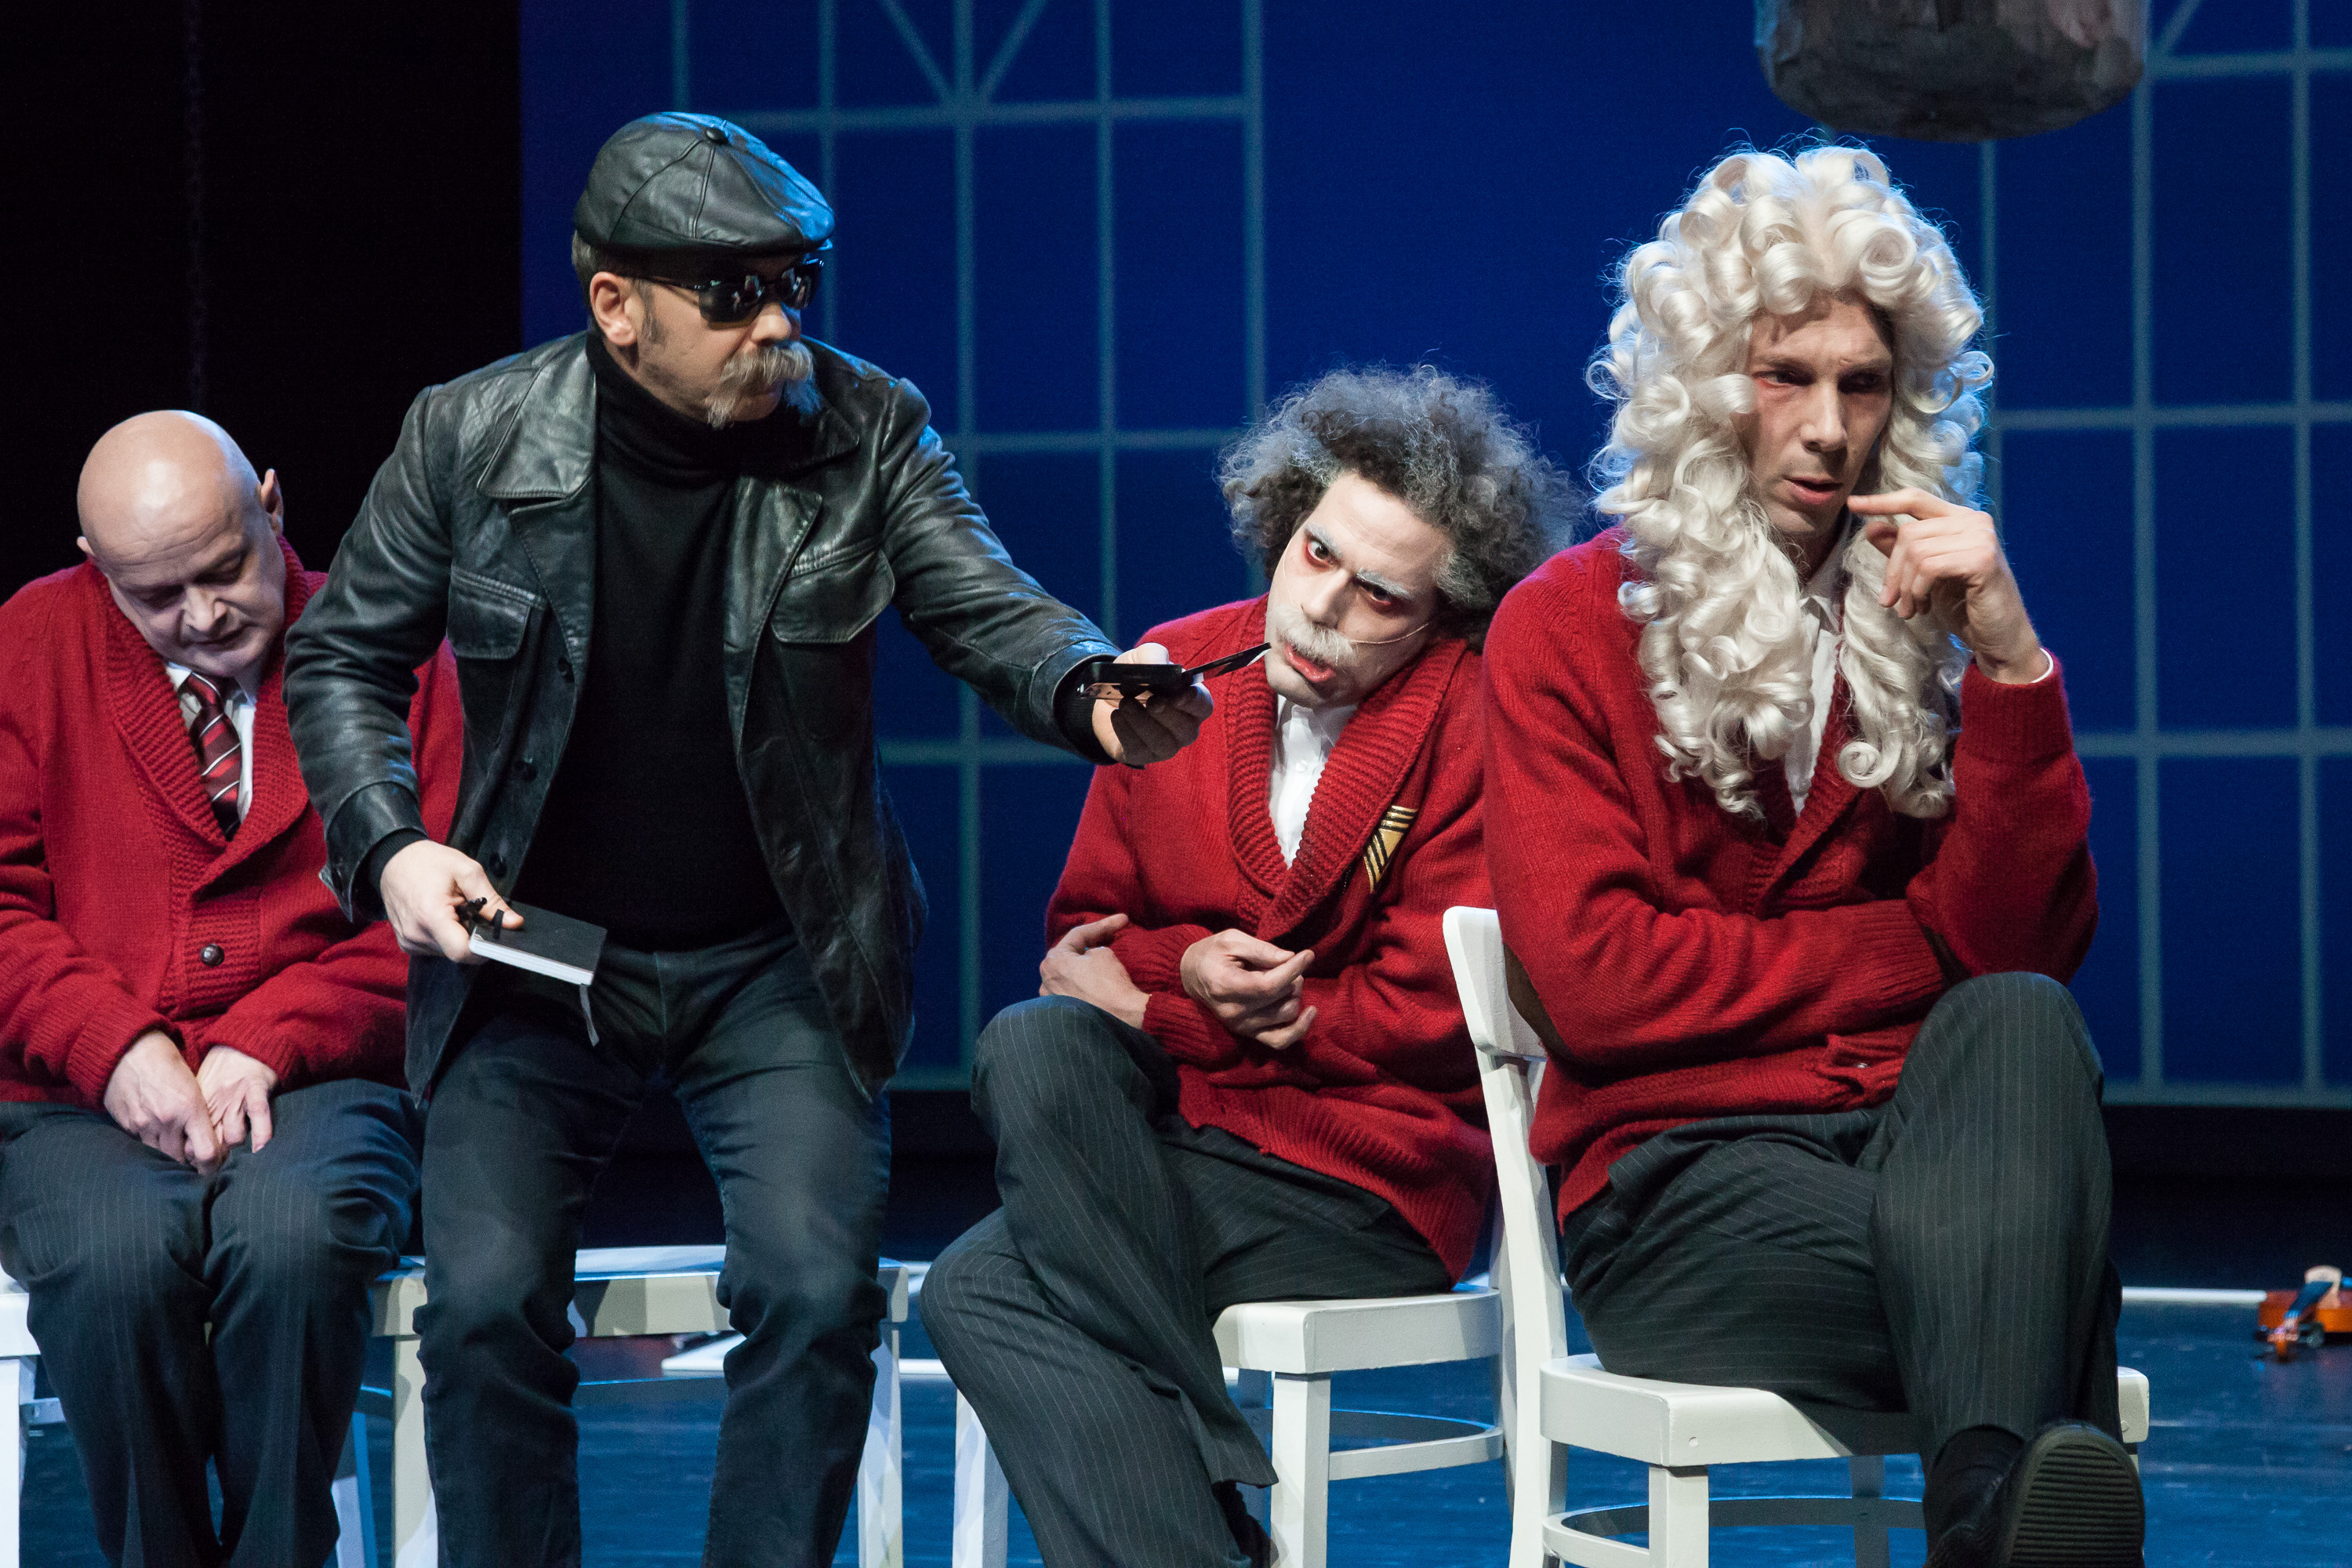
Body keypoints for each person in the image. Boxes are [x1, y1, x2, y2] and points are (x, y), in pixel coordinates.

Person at [281, 112, 1207, 1568]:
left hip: (779, 956)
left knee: (816, 1293)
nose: (778, 324)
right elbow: (343, 657)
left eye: (794, 286)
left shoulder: (868, 426)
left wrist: (1088, 686)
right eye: (733, 295)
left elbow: (985, 601)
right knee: (484, 1301)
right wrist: (392, 846)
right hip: (535, 952)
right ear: (616, 303)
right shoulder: (470, 433)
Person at [1481, 145, 2140, 1568]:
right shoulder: (1560, 626)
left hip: (1906, 1158)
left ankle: (1982, 1513)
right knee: (2039, 1286)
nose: (1831, 429)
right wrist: (1906, 949)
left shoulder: (1921, 618)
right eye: (1786, 376)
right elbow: (1600, 985)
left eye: (1865, 384)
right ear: (1706, 384)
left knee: (2023, 1022)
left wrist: (2010, 662)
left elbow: (2016, 956)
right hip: (1678, 1191)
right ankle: (2007, 1498)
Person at [920, 367, 1572, 1567]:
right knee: (1031, 1040)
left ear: (1444, 612)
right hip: (1176, 1140)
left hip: (1363, 1177)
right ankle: (1214, 1469)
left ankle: (1212, 1504)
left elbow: (1433, 1010)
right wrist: (1188, 975)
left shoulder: (1475, 713)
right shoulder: (1173, 670)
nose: (1324, 607)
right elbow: (1083, 945)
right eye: (1317, 555)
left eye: (1382, 595)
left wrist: (1175, 1010)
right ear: (1284, 522)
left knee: (977, 1290)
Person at [0, 412, 459, 1568]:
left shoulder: (392, 645)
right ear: (96, 566)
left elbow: (444, 905)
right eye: (157, 596)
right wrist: (111, 1043)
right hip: (71, 1095)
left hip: (325, 1077)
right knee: (113, 1260)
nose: (203, 616)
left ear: (272, 505)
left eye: (224, 571)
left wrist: (276, 1032)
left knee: (296, 1240)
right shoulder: (30, 643)